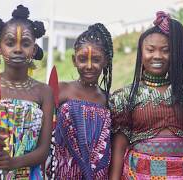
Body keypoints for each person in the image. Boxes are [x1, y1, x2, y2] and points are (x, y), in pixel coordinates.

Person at [109, 11, 183, 179]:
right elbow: (119, 146)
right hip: (139, 174)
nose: (157, 56)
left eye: (165, 50)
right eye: (150, 50)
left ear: (174, 54)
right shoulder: (125, 96)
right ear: (141, 53)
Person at [0, 5, 53, 179]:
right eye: (10, 42)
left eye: (26, 43)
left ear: (34, 49)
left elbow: (44, 150)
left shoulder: (44, 92)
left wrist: (14, 162)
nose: (17, 49)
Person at [46, 23, 113, 179]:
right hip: (61, 173)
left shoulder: (108, 100)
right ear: (74, 60)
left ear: (105, 61)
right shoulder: (60, 89)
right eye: (82, 59)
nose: (89, 66)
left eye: (96, 59)